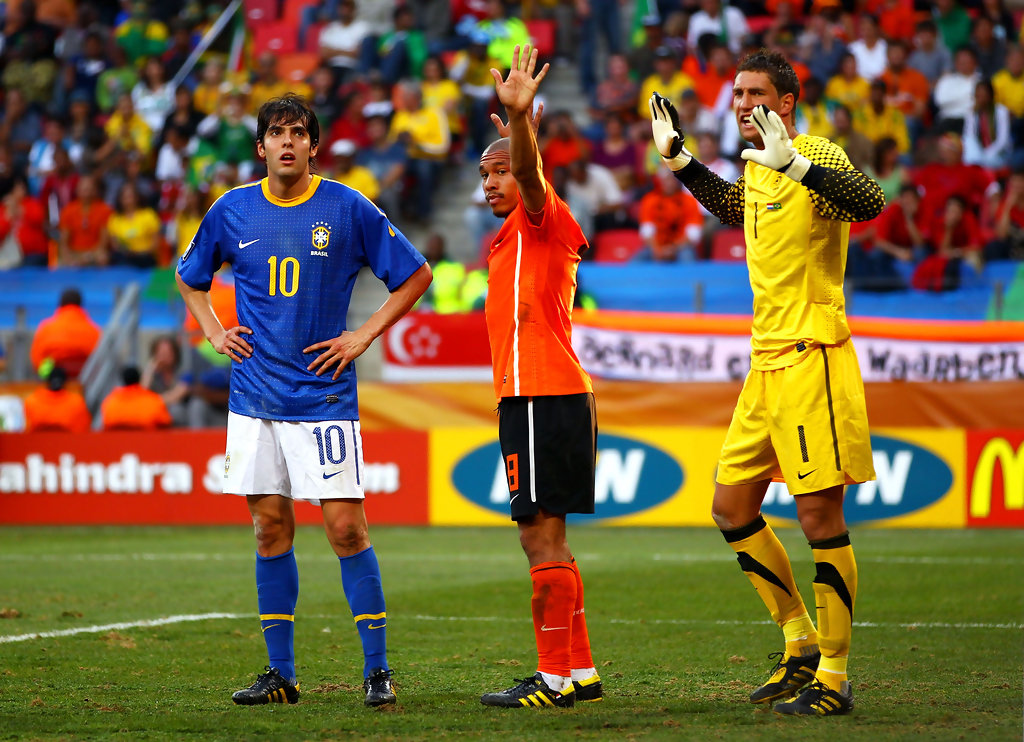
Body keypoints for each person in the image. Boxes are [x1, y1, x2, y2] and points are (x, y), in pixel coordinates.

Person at [649, 47, 885, 716]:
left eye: (756, 93)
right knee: (731, 507)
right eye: (736, 92)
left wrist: (797, 165)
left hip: (812, 356)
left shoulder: (818, 153)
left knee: (817, 516)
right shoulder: (757, 169)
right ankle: (800, 641)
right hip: (765, 363)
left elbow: (870, 202)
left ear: (786, 101)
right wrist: (682, 162)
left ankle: (834, 678)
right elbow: (734, 207)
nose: (742, 103)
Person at [176, 94, 431, 708]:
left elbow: (417, 274)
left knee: (346, 530)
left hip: (322, 396)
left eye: (298, 133)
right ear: (260, 145)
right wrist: (214, 331)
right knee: (270, 529)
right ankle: (281, 675)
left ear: (314, 145)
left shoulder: (346, 207)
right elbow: (190, 276)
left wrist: (363, 334)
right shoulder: (231, 210)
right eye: (275, 133)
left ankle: (377, 671)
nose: (286, 142)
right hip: (254, 397)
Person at [477, 45, 601, 710]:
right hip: (541, 397)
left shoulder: (538, 218)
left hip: (541, 395)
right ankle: (578, 669)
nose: (492, 181)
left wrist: (520, 124)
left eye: (499, 172)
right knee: (551, 534)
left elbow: (529, 173)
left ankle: (551, 679)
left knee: (538, 535)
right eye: (484, 174)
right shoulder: (504, 241)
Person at [30, 287, 102, 378]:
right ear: (80, 304)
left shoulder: (46, 327)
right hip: (83, 378)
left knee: (46, 363)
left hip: (52, 377)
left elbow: (36, 359)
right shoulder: (93, 330)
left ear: (60, 304)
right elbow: (98, 357)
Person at [100, 366, 173, 430]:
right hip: (147, 443)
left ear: (123, 381)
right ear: (139, 379)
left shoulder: (110, 402)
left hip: (117, 444)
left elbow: (107, 423)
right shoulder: (152, 401)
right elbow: (166, 421)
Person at [23, 365, 92, 433]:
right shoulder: (77, 402)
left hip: (37, 443)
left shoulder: (31, 401)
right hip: (68, 443)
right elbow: (83, 432)